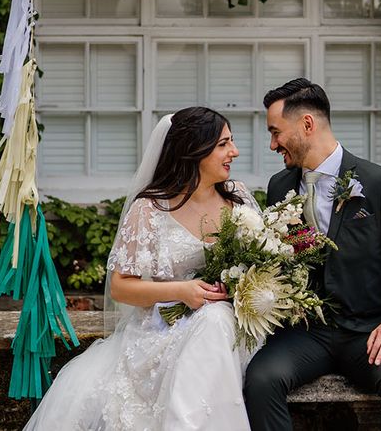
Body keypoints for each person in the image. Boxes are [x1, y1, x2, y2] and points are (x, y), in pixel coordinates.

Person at [25, 107, 260, 431]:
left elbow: (262, 264)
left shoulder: (238, 199)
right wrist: (181, 291)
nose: (233, 151)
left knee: (215, 318)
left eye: (231, 142)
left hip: (232, 325)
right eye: (223, 144)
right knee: (211, 320)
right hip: (166, 326)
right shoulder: (149, 209)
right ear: (194, 151)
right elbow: (122, 287)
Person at [244, 78, 381, 431]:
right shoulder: (279, 187)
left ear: (307, 124)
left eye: (275, 132)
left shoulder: (379, 183)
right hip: (305, 334)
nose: (272, 144)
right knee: (260, 380)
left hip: (369, 330)